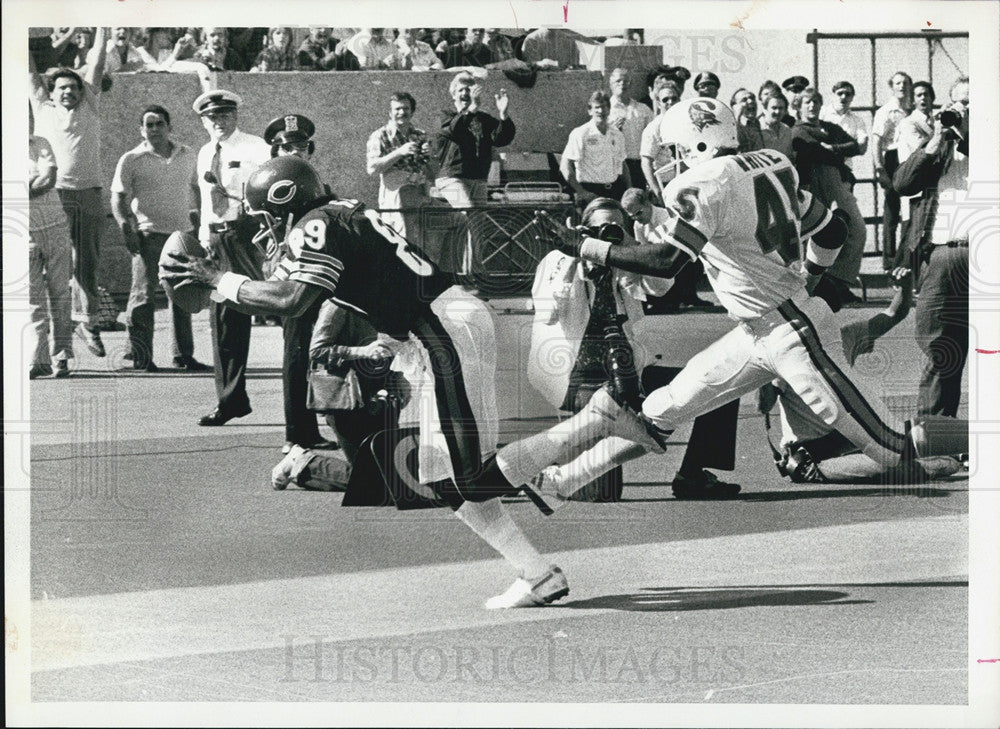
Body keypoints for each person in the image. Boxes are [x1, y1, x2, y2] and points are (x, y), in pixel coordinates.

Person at [163, 155, 574, 609]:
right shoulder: (341, 213)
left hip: (442, 332)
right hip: (437, 331)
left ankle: (595, 430)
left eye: (265, 217)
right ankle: (537, 573)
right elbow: (341, 287)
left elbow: (291, 299)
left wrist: (216, 278)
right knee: (437, 473)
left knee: (467, 475)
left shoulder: (318, 223)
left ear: (283, 204)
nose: (265, 229)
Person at [521, 98, 948, 513]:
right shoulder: (770, 163)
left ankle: (976, 444)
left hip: (793, 333)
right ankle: (568, 478)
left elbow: (669, 261)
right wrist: (813, 279)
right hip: (760, 330)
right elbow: (831, 232)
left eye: (675, 150)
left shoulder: (701, 183)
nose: (672, 160)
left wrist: (583, 245)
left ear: (696, 143)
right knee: (661, 408)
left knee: (895, 454)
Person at [762, 267, 964, 483]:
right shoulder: (788, 350)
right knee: (914, 467)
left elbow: (893, 314)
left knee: (917, 433)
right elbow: (763, 405)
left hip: (852, 441)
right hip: (813, 459)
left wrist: (904, 288)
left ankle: (959, 448)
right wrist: (766, 376)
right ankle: (941, 460)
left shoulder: (846, 336)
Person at [620, 188, 742, 498]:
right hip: (591, 375)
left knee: (722, 383)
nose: (605, 236)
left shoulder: (625, 261)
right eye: (597, 232)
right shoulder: (563, 268)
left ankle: (693, 473)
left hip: (633, 368)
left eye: (612, 229)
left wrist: (631, 258)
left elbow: (661, 287)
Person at [190, 89, 271, 426]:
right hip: (219, 237)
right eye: (211, 117)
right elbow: (207, 200)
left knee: (283, 310)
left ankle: (311, 403)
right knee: (224, 319)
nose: (218, 122)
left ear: (236, 116)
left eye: (224, 115)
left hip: (249, 233)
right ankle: (231, 399)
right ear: (203, 121)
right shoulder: (205, 151)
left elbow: (269, 190)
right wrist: (204, 236)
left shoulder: (257, 148)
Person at [893, 76, 970, 418]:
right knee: (941, 347)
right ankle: (939, 435)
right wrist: (937, 139)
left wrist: (970, 135)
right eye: (960, 105)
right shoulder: (941, 150)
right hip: (944, 256)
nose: (964, 112)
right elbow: (903, 183)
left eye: (972, 104)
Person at [29, 28, 109, 359]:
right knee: (55, 271)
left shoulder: (90, 105)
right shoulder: (42, 107)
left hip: (88, 193)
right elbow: (29, 69)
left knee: (87, 263)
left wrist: (103, 27)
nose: (68, 92)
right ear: (52, 91)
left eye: (74, 87)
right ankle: (52, 342)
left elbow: (98, 60)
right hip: (53, 197)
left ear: (82, 91)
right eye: (62, 88)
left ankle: (88, 324)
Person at [110, 104, 208, 373]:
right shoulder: (131, 159)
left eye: (159, 124)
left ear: (169, 127)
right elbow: (118, 199)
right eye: (149, 125)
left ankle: (183, 356)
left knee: (183, 295)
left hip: (182, 236)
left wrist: (199, 223)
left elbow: (197, 189)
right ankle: (142, 357)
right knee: (142, 297)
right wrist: (126, 228)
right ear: (141, 130)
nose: (154, 129)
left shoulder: (188, 154)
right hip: (148, 235)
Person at [792, 87, 867, 306]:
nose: (812, 105)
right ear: (798, 106)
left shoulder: (829, 127)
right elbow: (815, 150)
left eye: (816, 101)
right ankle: (810, 285)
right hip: (809, 183)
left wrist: (832, 146)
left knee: (856, 228)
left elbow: (856, 147)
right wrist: (835, 150)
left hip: (835, 180)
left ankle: (839, 280)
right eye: (807, 102)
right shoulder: (797, 130)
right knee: (810, 233)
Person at [28, 105, 75, 379]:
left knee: (60, 294)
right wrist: (32, 182)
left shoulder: (41, 143)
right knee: (33, 300)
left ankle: (62, 357)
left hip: (55, 230)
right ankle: (39, 359)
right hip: (24, 235)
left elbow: (49, 179)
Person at [432, 72, 515, 207]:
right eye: (461, 90)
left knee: (478, 222)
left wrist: (503, 115)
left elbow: (501, 140)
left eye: (469, 90)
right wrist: (471, 110)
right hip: (452, 177)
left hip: (478, 177)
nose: (465, 93)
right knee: (468, 210)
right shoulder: (445, 116)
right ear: (453, 95)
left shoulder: (484, 119)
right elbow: (454, 130)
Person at [366, 91, 434, 238]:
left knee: (459, 221)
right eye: (397, 109)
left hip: (421, 195)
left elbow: (434, 173)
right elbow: (372, 168)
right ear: (390, 113)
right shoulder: (380, 135)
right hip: (396, 199)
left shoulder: (420, 135)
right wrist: (399, 153)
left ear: (412, 111)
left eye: (406, 109)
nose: (402, 112)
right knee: (406, 240)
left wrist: (431, 156)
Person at [871, 71, 914, 270]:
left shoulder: (911, 110)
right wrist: (880, 168)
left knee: (910, 209)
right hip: (892, 159)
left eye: (905, 83)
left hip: (910, 158)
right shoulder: (886, 111)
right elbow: (876, 141)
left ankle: (906, 260)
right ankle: (889, 261)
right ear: (892, 86)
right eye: (897, 83)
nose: (902, 87)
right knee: (892, 210)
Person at [559, 91, 631, 204]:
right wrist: (581, 192)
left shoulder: (617, 134)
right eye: (597, 107)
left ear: (609, 109)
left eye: (604, 107)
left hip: (614, 191)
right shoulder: (580, 133)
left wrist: (629, 190)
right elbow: (565, 166)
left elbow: (622, 163)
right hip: (590, 191)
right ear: (590, 111)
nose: (601, 111)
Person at [607, 68, 654, 190]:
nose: (622, 84)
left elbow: (653, 137)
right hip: (614, 165)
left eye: (626, 81)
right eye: (618, 81)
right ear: (610, 83)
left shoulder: (643, 110)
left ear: (631, 84)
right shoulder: (605, 110)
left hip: (638, 166)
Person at [638, 79, 681, 201]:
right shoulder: (654, 128)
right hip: (663, 184)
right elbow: (646, 162)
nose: (670, 102)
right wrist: (658, 191)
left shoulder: (684, 123)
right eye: (665, 99)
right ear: (658, 102)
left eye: (674, 98)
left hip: (683, 183)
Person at [820, 81, 868, 176]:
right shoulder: (821, 114)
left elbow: (862, 147)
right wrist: (849, 146)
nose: (843, 97)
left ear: (852, 97)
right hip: (821, 167)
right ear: (833, 95)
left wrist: (833, 148)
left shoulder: (857, 120)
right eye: (840, 93)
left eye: (848, 94)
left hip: (844, 170)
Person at [759, 91, 795, 160]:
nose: (777, 112)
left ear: (785, 111)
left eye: (781, 108)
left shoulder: (787, 131)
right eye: (774, 108)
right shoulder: (757, 130)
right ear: (765, 109)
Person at [731, 88, 764, 152]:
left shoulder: (759, 124)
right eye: (744, 100)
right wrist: (736, 117)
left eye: (752, 98)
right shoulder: (730, 127)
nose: (751, 101)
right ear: (735, 106)